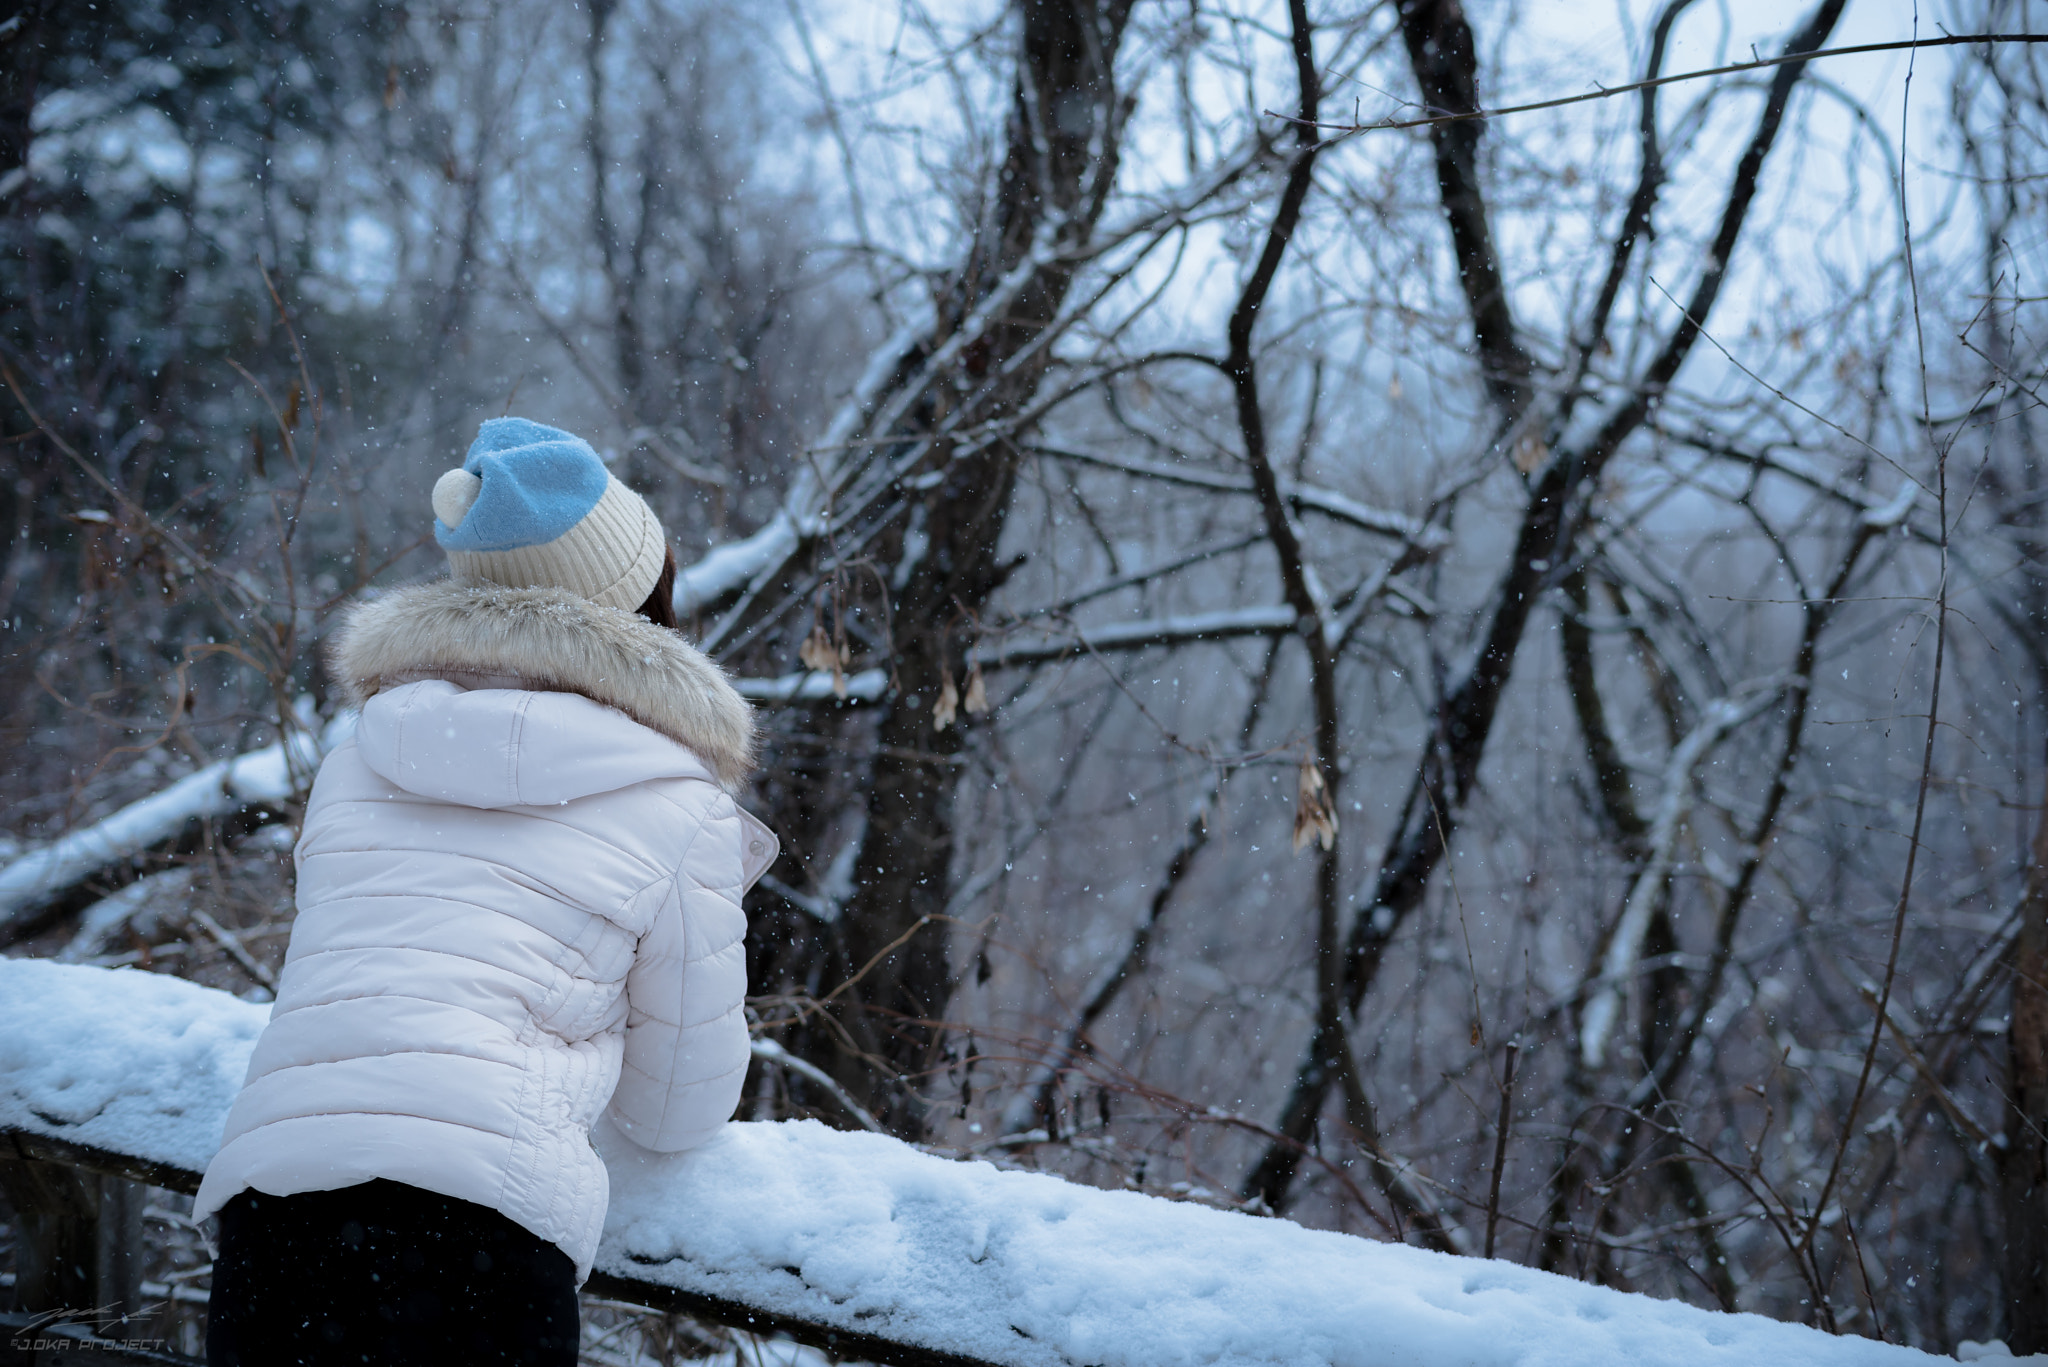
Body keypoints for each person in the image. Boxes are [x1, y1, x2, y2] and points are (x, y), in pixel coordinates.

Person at [195, 418, 777, 1366]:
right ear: (637, 601)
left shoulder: (359, 758)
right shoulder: (678, 804)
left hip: (277, 1221)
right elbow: (676, 1111)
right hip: (481, 1242)